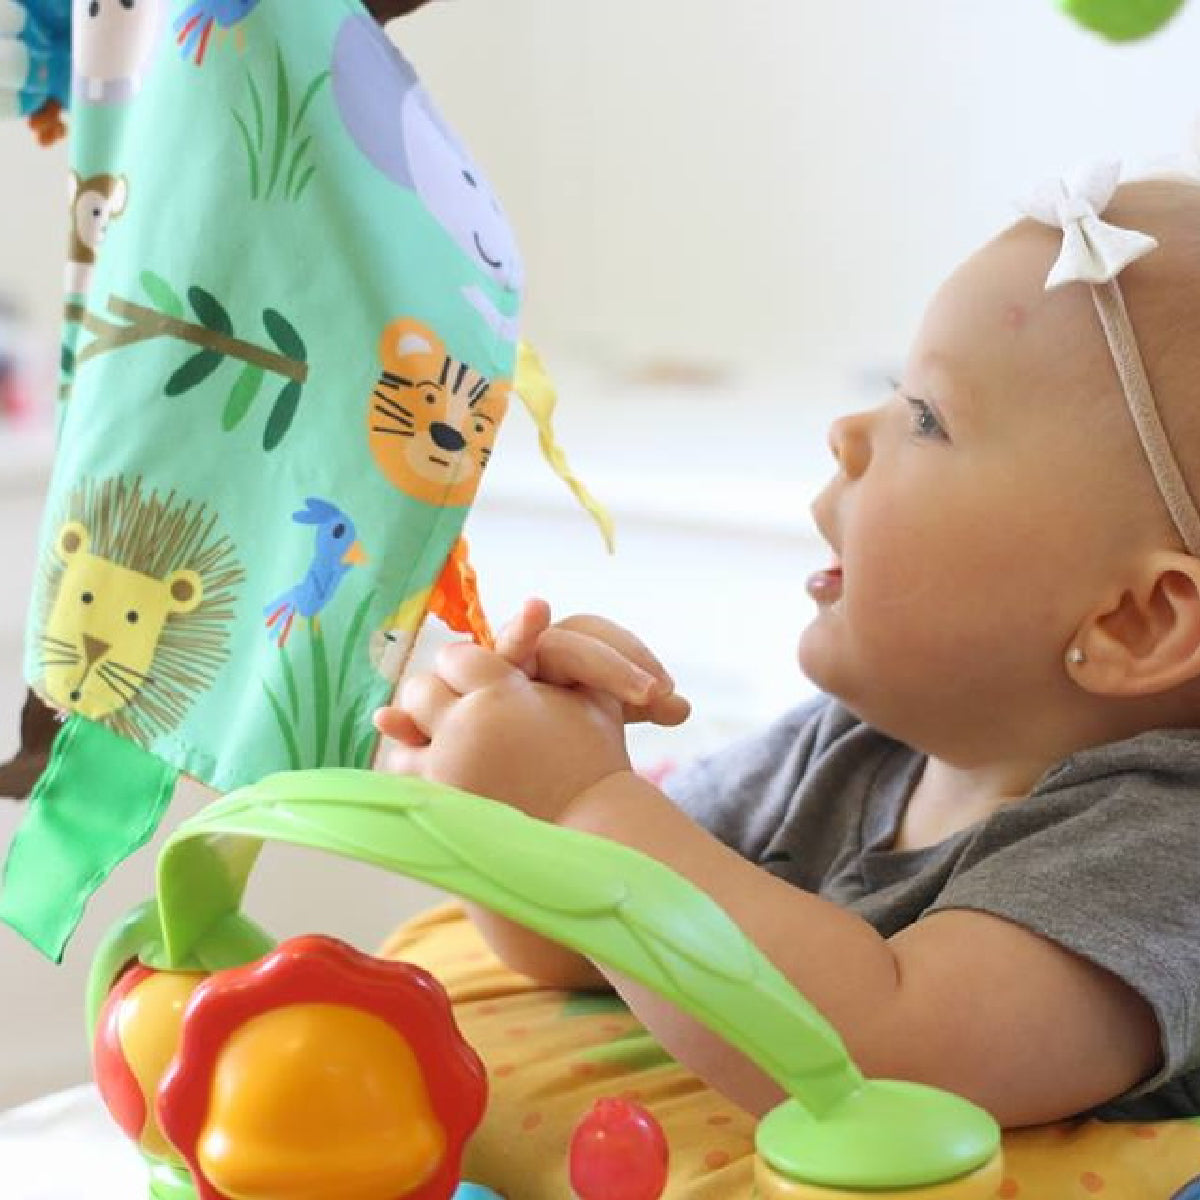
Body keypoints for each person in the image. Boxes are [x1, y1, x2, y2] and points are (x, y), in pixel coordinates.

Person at [374, 170, 1200, 1131]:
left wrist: (584, 803)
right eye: (892, 391)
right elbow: (587, 941)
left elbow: (886, 1061)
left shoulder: (1165, 851)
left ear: (1134, 623)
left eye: (928, 417)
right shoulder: (849, 748)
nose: (849, 432)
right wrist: (511, 793)